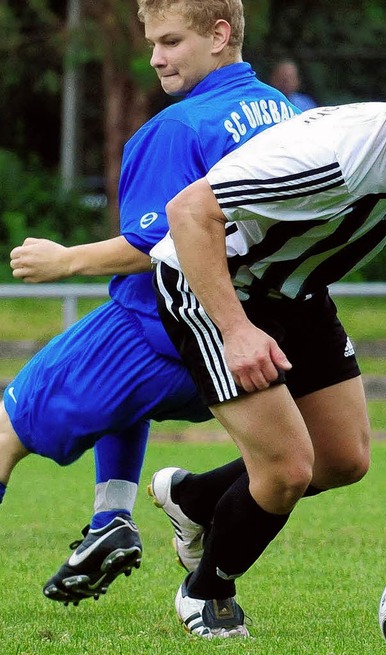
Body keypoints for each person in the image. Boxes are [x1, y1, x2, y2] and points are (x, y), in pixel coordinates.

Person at [146, 38, 386, 640]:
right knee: (286, 472)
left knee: (343, 460)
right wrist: (236, 331)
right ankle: (207, 592)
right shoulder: (333, 159)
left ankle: (196, 498)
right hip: (213, 281)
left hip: (296, 292)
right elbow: (188, 213)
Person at [2, 0, 298, 605]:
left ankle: (126, 523)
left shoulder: (178, 128)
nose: (157, 58)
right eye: (153, 43)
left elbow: (158, 242)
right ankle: (111, 519)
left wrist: (65, 260)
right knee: (129, 406)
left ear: (219, 36)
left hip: (153, 332)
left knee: (3, 433)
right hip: (240, 348)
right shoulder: (281, 110)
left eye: (170, 42)